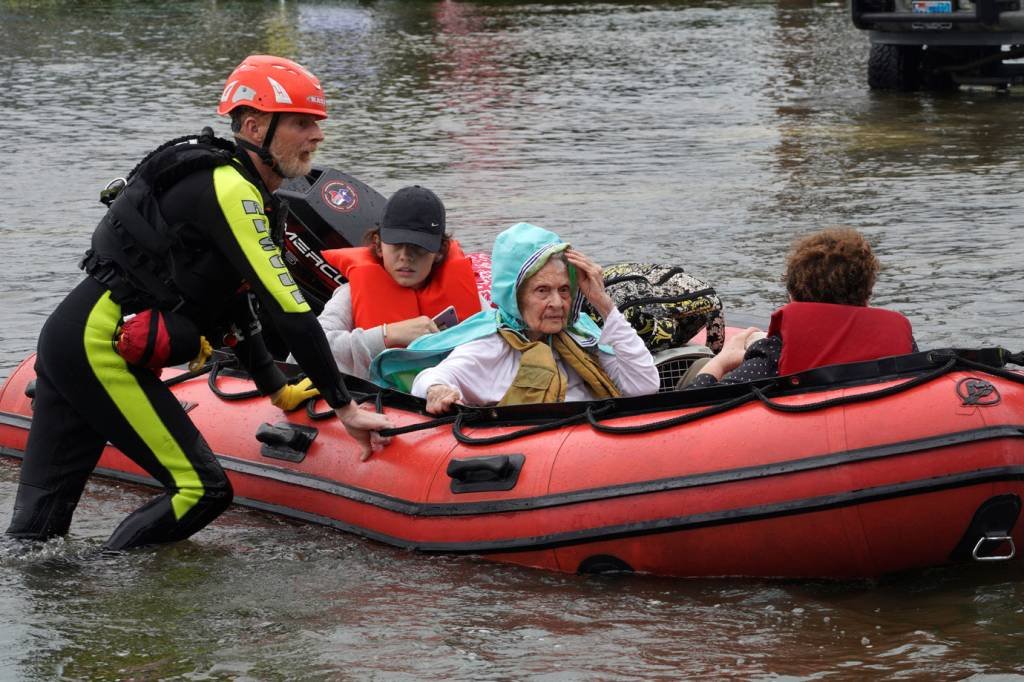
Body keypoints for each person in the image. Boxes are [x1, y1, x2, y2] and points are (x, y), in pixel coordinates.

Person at [5, 55, 393, 551]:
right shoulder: (229, 188)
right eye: (301, 123)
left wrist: (279, 389)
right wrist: (345, 406)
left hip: (73, 340)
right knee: (203, 490)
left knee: (34, 541)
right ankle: (118, 604)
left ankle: (65, 617)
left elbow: (237, 307)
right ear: (254, 126)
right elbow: (291, 310)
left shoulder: (250, 193)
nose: (316, 136)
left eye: (316, 123)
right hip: (96, 348)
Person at [370, 222, 660, 412]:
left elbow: (644, 386)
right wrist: (437, 391)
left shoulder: (580, 337)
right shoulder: (491, 345)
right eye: (542, 291)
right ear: (515, 296)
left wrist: (604, 305)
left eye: (564, 290)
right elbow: (432, 377)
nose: (557, 303)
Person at [689, 227, 916, 387]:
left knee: (698, 366)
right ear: (867, 295)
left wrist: (722, 361)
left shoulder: (776, 352)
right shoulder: (903, 344)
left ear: (792, 295)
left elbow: (695, 404)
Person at [315, 185, 484, 380]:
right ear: (378, 245)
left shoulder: (470, 297)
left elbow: (498, 347)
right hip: (377, 402)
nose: (405, 256)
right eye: (396, 244)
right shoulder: (349, 295)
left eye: (417, 247)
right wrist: (388, 335)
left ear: (439, 250)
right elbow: (307, 349)